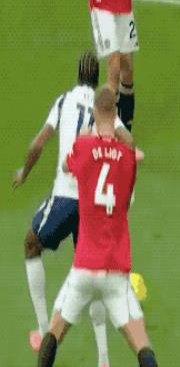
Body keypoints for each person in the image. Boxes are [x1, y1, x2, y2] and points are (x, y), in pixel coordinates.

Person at [13, 52, 132, 365]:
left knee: (31, 244)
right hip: (93, 206)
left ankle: (43, 329)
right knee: (93, 273)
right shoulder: (103, 109)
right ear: (95, 79)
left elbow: (38, 144)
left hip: (66, 197)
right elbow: (127, 141)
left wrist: (24, 173)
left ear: (78, 75)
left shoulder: (64, 101)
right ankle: (103, 359)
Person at [38, 86, 158, 367]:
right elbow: (134, 163)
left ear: (94, 113)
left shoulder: (83, 148)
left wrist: (87, 138)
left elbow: (67, 167)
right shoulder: (128, 158)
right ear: (116, 116)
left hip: (84, 267)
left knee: (54, 332)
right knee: (141, 344)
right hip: (116, 269)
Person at [73, 0, 167, 132]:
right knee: (113, 66)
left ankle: (125, 129)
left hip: (124, 4)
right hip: (101, 3)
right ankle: (104, 131)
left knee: (127, 71)